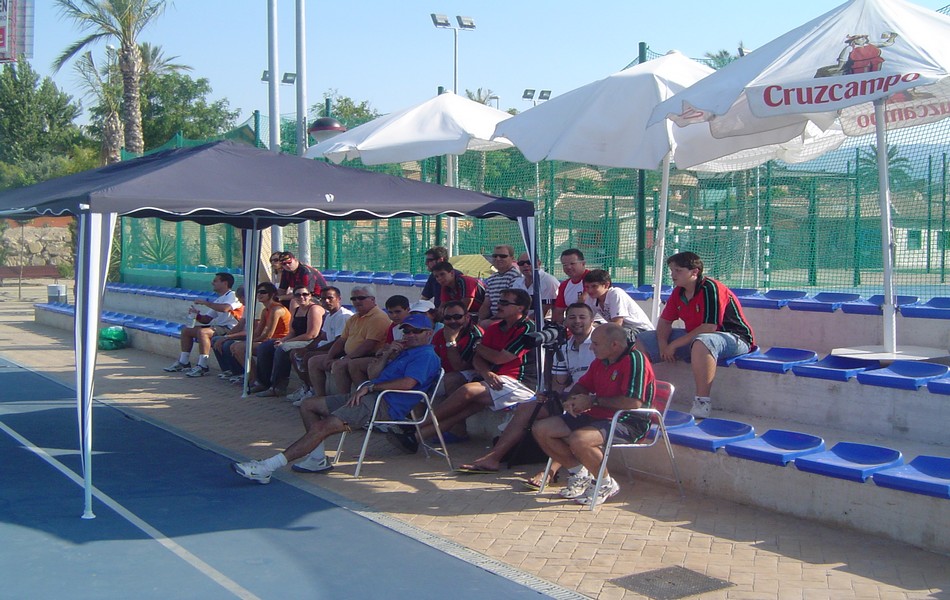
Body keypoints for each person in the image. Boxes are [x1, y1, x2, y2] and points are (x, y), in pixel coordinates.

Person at [232, 313, 441, 482]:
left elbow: (407, 384)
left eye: (416, 331)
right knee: (309, 405)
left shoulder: (425, 356)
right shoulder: (403, 351)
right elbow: (373, 374)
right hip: (368, 397)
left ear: (429, 333)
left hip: (382, 404)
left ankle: (267, 467)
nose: (410, 335)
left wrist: (371, 387)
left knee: (322, 427)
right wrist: (386, 355)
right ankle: (317, 459)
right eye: (407, 331)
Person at [457, 302, 597, 477]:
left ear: (592, 320)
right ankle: (493, 458)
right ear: (566, 321)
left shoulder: (599, 343)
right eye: (572, 317)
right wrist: (549, 395)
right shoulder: (564, 346)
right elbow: (558, 383)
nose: (577, 321)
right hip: (570, 396)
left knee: (565, 417)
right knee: (529, 407)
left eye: (582, 317)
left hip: (591, 399)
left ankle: (549, 473)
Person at [533, 323, 656, 507]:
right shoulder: (602, 360)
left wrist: (592, 401)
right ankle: (578, 473)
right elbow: (582, 385)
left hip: (629, 421)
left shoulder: (635, 360)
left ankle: (605, 483)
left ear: (614, 345)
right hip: (598, 415)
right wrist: (573, 400)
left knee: (579, 440)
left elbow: (633, 403)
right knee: (542, 429)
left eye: (596, 344)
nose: (591, 347)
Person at [408, 288, 536, 453]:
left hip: (521, 384)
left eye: (505, 303)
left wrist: (478, 347)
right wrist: (486, 372)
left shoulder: (527, 328)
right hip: (495, 380)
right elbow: (478, 358)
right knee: (463, 410)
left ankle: (416, 425)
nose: (499, 305)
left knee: (467, 390)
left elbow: (499, 358)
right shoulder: (495, 328)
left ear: (520, 308)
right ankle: (415, 437)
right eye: (499, 301)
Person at [635, 251, 755, 419]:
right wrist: (663, 344)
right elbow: (665, 322)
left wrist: (674, 345)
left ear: (694, 272)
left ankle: (702, 401)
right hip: (700, 337)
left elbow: (709, 327)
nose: (673, 275)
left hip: (734, 338)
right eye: (671, 270)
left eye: (678, 271)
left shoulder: (711, 288)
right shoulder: (678, 292)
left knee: (702, 342)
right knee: (642, 340)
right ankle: (640, 394)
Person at [308, 284, 390, 396]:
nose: (357, 301)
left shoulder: (378, 318)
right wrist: (329, 357)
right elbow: (341, 340)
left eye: (361, 298)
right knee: (314, 361)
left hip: (368, 356)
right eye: (353, 299)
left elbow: (369, 344)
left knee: (339, 365)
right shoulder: (354, 317)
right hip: (350, 355)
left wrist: (346, 358)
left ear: (372, 299)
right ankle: (319, 396)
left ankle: (343, 399)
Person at [163, 272, 243, 377]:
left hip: (232, 328)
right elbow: (206, 320)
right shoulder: (219, 299)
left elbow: (225, 308)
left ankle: (202, 365)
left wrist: (205, 303)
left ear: (225, 283)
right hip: (221, 327)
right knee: (186, 330)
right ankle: (184, 362)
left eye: (215, 281)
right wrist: (197, 315)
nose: (212, 283)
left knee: (203, 332)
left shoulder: (232, 295)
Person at [254, 286, 325, 398]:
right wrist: (282, 340)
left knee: (282, 348)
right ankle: (262, 383)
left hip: (311, 341)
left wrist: (286, 342)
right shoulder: (296, 310)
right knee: (266, 346)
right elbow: (292, 332)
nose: (301, 297)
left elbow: (312, 334)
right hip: (296, 339)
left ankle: (278, 387)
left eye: (305, 294)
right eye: (298, 295)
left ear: (310, 296)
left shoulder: (314, 309)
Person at [287, 286, 353, 404]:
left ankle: (316, 394)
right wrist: (307, 348)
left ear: (339, 299)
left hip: (340, 351)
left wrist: (310, 352)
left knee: (310, 357)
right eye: (323, 299)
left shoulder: (343, 316)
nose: (326, 301)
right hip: (330, 348)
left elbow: (339, 342)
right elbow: (322, 335)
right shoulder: (329, 315)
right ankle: (307, 387)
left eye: (330, 298)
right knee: (294, 353)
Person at [237, 282, 292, 393]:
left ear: (272, 294)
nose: (259, 294)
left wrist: (250, 342)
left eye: (263, 292)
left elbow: (268, 334)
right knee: (236, 346)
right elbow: (258, 331)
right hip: (271, 340)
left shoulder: (277, 309)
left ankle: (258, 381)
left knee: (241, 348)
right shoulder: (265, 310)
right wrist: (249, 340)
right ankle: (253, 379)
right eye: (258, 292)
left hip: (280, 340)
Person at [351, 295, 410, 385]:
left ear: (408, 310)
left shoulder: (415, 327)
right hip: (391, 358)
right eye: (390, 312)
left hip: (406, 362)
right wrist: (382, 352)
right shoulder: (393, 326)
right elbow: (387, 345)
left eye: (398, 312)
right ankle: (364, 389)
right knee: (354, 365)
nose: (394, 316)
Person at [583, 269, 653, 334]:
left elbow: (617, 324)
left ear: (606, 285)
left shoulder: (615, 293)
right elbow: (586, 319)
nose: (590, 290)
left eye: (594, 286)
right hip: (623, 330)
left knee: (607, 335)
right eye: (587, 287)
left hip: (641, 331)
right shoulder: (591, 297)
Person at [478, 244, 523, 326]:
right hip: (494, 317)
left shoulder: (515, 276)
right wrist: (479, 321)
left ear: (512, 258)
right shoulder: (491, 278)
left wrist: (488, 322)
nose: (498, 259)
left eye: (503, 256)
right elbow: (486, 304)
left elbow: (510, 306)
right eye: (495, 256)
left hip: (508, 319)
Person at [211, 286, 247, 379]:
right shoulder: (247, 308)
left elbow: (250, 332)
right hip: (242, 334)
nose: (240, 302)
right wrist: (226, 336)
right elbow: (240, 326)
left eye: (240, 299)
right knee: (216, 340)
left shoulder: (256, 308)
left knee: (228, 344)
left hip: (252, 337)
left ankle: (239, 372)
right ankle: (227, 370)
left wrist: (227, 337)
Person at [512, 253, 559, 318]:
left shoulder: (549, 281)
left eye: (529, 262)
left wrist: (522, 321)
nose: (525, 265)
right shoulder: (517, 283)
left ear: (539, 263)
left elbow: (544, 311)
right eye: (521, 263)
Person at [552, 249, 590, 323]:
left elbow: (583, 301)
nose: (568, 267)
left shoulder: (594, 279)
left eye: (572, 263)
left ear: (583, 263)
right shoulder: (564, 285)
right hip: (575, 324)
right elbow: (558, 312)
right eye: (565, 265)